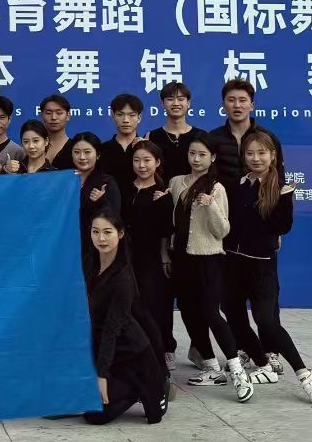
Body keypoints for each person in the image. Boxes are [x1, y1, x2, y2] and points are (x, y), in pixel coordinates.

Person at [223, 129, 312, 405]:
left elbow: (282, 227)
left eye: (262, 153)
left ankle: (304, 373)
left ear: (273, 155)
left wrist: (285, 199)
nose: (256, 158)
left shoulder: (280, 187)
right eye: (250, 153)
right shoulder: (235, 186)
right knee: (234, 319)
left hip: (262, 267)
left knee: (266, 322)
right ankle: (264, 364)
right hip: (232, 264)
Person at [168, 132, 251, 400]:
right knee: (189, 314)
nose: (196, 159)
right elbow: (171, 222)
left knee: (210, 313)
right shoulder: (176, 182)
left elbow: (222, 230)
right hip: (181, 259)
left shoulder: (216, 188)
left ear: (212, 157)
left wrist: (211, 206)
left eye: (202, 154)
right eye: (192, 153)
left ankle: (236, 369)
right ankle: (211, 366)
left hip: (208, 259)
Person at [82, 211, 170, 425]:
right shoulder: (91, 263)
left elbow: (111, 330)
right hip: (108, 354)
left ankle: (148, 388)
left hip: (135, 359)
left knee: (95, 415)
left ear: (120, 234)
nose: (101, 238)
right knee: (81, 402)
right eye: (95, 232)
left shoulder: (123, 277)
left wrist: (101, 375)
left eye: (107, 232)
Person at [124, 140, 176, 372]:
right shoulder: (126, 188)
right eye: (137, 160)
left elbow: (166, 230)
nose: (142, 165)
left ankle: (165, 349)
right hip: (128, 255)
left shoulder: (162, 192)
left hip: (153, 257)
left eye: (147, 160)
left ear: (157, 162)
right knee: (131, 303)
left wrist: (164, 256)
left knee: (156, 304)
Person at [206, 79, 285, 189]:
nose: (237, 105)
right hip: (221, 199)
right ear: (223, 106)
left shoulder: (268, 138)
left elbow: (279, 178)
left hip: (260, 198)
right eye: (231, 100)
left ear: (252, 105)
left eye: (242, 100)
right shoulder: (212, 138)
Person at [148, 81, 199, 181]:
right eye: (170, 99)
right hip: (161, 190)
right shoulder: (152, 137)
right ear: (162, 104)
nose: (176, 103)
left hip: (194, 189)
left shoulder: (200, 136)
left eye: (181, 99)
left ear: (188, 103)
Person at [98, 93, 143, 198]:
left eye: (132, 115)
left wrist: (145, 148)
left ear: (139, 118)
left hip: (141, 204)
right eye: (120, 114)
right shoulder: (101, 150)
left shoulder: (147, 149)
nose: (126, 120)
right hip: (109, 205)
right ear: (113, 116)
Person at [70, 131, 120, 227]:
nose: (82, 157)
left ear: (98, 155)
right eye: (76, 152)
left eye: (87, 152)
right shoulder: (65, 181)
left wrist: (101, 201)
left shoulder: (107, 183)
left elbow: (114, 220)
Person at [39, 94, 76, 169]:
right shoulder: (33, 147)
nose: (53, 117)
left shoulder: (75, 147)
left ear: (68, 116)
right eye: (48, 113)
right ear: (41, 115)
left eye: (59, 113)